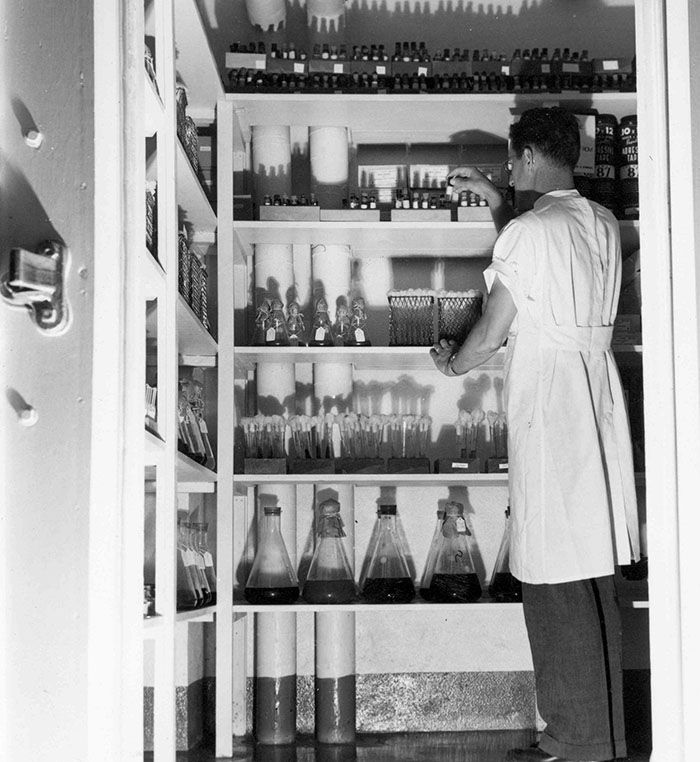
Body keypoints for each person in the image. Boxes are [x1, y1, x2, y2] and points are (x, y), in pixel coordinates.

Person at [431, 107, 640, 762]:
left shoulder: (526, 231)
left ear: (524, 160)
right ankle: (601, 738)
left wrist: (452, 362)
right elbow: (544, 275)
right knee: (595, 572)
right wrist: (500, 204)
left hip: (551, 406)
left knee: (553, 579)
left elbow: (493, 332)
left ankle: (573, 742)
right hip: (597, 404)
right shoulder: (602, 223)